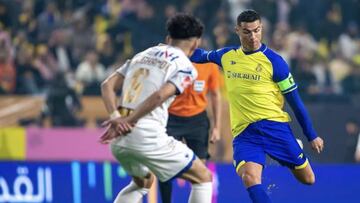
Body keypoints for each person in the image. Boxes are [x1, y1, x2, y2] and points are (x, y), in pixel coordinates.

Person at [190, 9, 324, 203]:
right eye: (247, 32)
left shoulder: (276, 62)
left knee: (308, 179)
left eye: (257, 30)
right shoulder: (227, 56)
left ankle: (296, 146)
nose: (253, 36)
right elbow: (201, 55)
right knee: (249, 178)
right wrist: (174, 49)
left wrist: (311, 135)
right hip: (245, 133)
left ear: (261, 29)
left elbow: (295, 102)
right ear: (237, 30)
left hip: (274, 127)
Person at [99, 13, 213, 203]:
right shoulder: (185, 65)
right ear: (195, 44)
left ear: (169, 38)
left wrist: (116, 117)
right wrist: (130, 120)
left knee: (142, 184)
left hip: (119, 138)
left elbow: (106, 85)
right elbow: (161, 95)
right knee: (203, 178)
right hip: (146, 136)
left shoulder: (142, 55)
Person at [159, 62, 221, 203]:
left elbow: (216, 94)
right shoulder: (175, 62)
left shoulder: (209, 65)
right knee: (164, 167)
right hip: (172, 118)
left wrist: (217, 127)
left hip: (197, 121)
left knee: (200, 171)